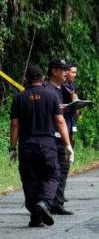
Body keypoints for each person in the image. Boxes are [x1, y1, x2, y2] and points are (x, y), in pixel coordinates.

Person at [9, 65, 73, 227]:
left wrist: (12, 148)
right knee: (52, 175)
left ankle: (35, 217)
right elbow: (60, 121)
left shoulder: (19, 98)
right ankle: (44, 203)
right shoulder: (51, 96)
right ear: (43, 79)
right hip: (47, 145)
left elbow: (15, 125)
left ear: (25, 80)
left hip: (26, 146)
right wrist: (67, 144)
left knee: (30, 179)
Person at [43, 59, 74, 215]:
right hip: (49, 136)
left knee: (63, 169)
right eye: (63, 70)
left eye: (67, 70)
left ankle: (58, 203)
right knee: (50, 170)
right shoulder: (45, 89)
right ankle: (45, 202)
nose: (66, 73)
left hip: (65, 135)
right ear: (54, 71)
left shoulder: (66, 89)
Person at [63, 61, 79, 147]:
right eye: (73, 72)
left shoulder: (74, 86)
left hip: (72, 120)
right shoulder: (60, 85)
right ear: (66, 72)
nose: (74, 75)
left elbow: (76, 109)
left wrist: (76, 102)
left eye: (75, 72)